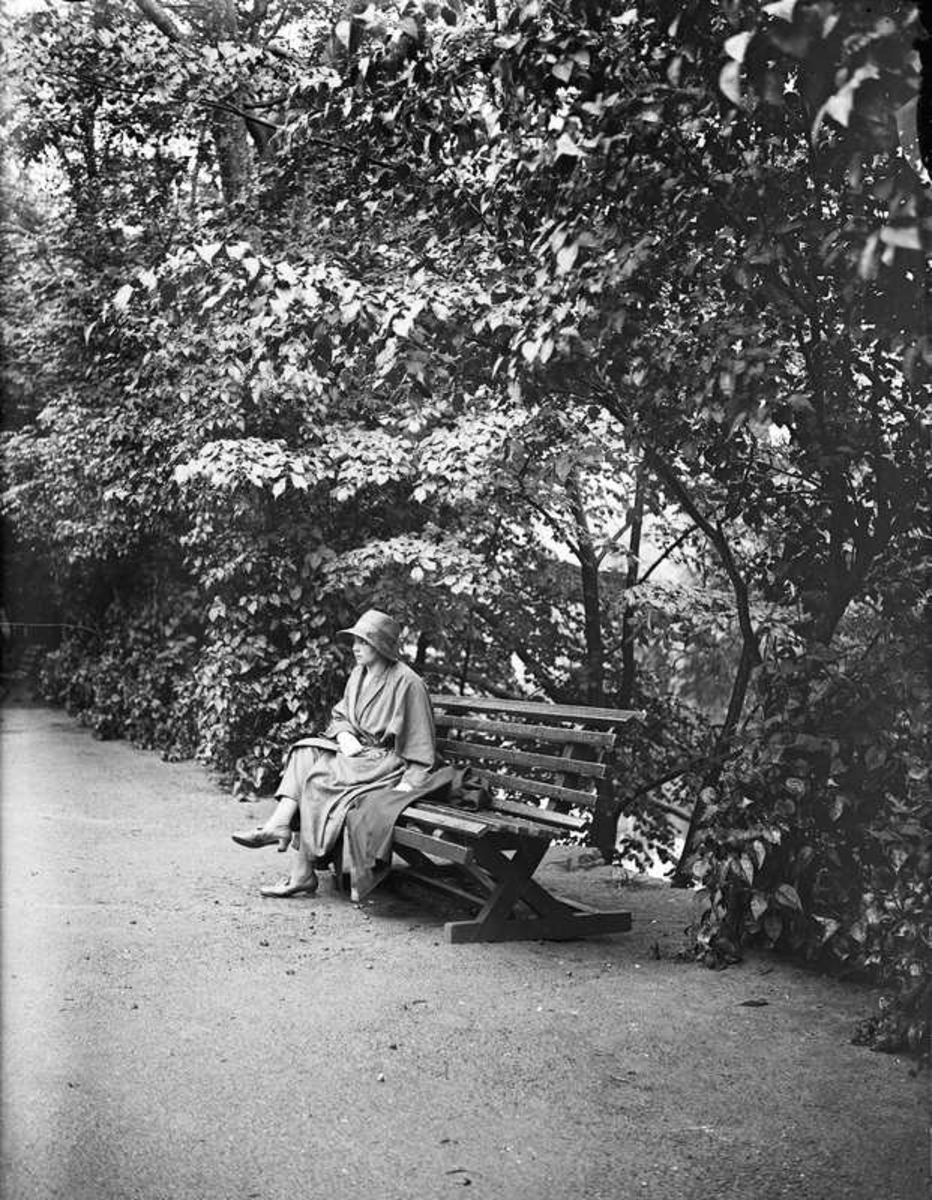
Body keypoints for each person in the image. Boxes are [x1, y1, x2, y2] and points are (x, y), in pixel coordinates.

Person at [231, 609, 436, 900]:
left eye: (363, 642)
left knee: (319, 779)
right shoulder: (359, 674)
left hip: (384, 763)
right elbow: (341, 715)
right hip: (357, 754)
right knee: (304, 750)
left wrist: (407, 785)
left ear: (380, 645)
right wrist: (344, 735)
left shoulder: (408, 682)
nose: (355, 648)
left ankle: (301, 873)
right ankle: (279, 824)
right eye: (355, 641)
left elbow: (420, 743)